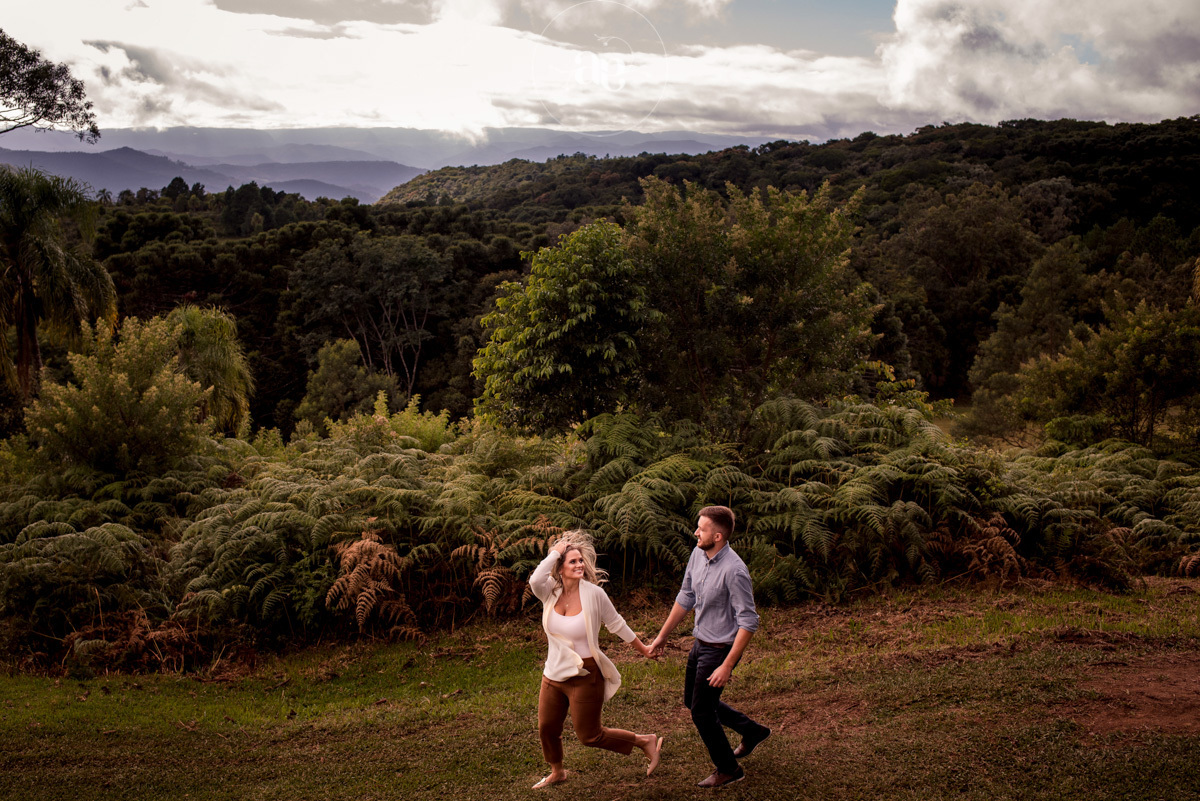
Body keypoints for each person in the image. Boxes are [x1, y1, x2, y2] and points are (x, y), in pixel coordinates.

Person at [529, 531, 664, 789]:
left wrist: (644, 649)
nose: (579, 565)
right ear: (560, 568)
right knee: (547, 727)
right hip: (553, 673)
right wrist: (556, 552)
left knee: (590, 736)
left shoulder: (594, 594)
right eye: (572, 561)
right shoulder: (549, 592)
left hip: (586, 674)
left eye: (581, 560)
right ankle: (557, 771)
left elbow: (617, 624)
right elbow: (535, 579)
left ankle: (643, 741)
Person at [649, 505, 770, 788]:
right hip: (700, 642)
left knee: (702, 711)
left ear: (717, 536)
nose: (695, 533)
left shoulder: (735, 571)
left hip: (719, 649)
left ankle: (729, 769)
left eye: (701, 529)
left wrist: (727, 665)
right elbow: (686, 596)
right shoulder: (698, 554)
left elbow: (749, 622)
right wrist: (662, 636)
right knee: (693, 701)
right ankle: (753, 731)